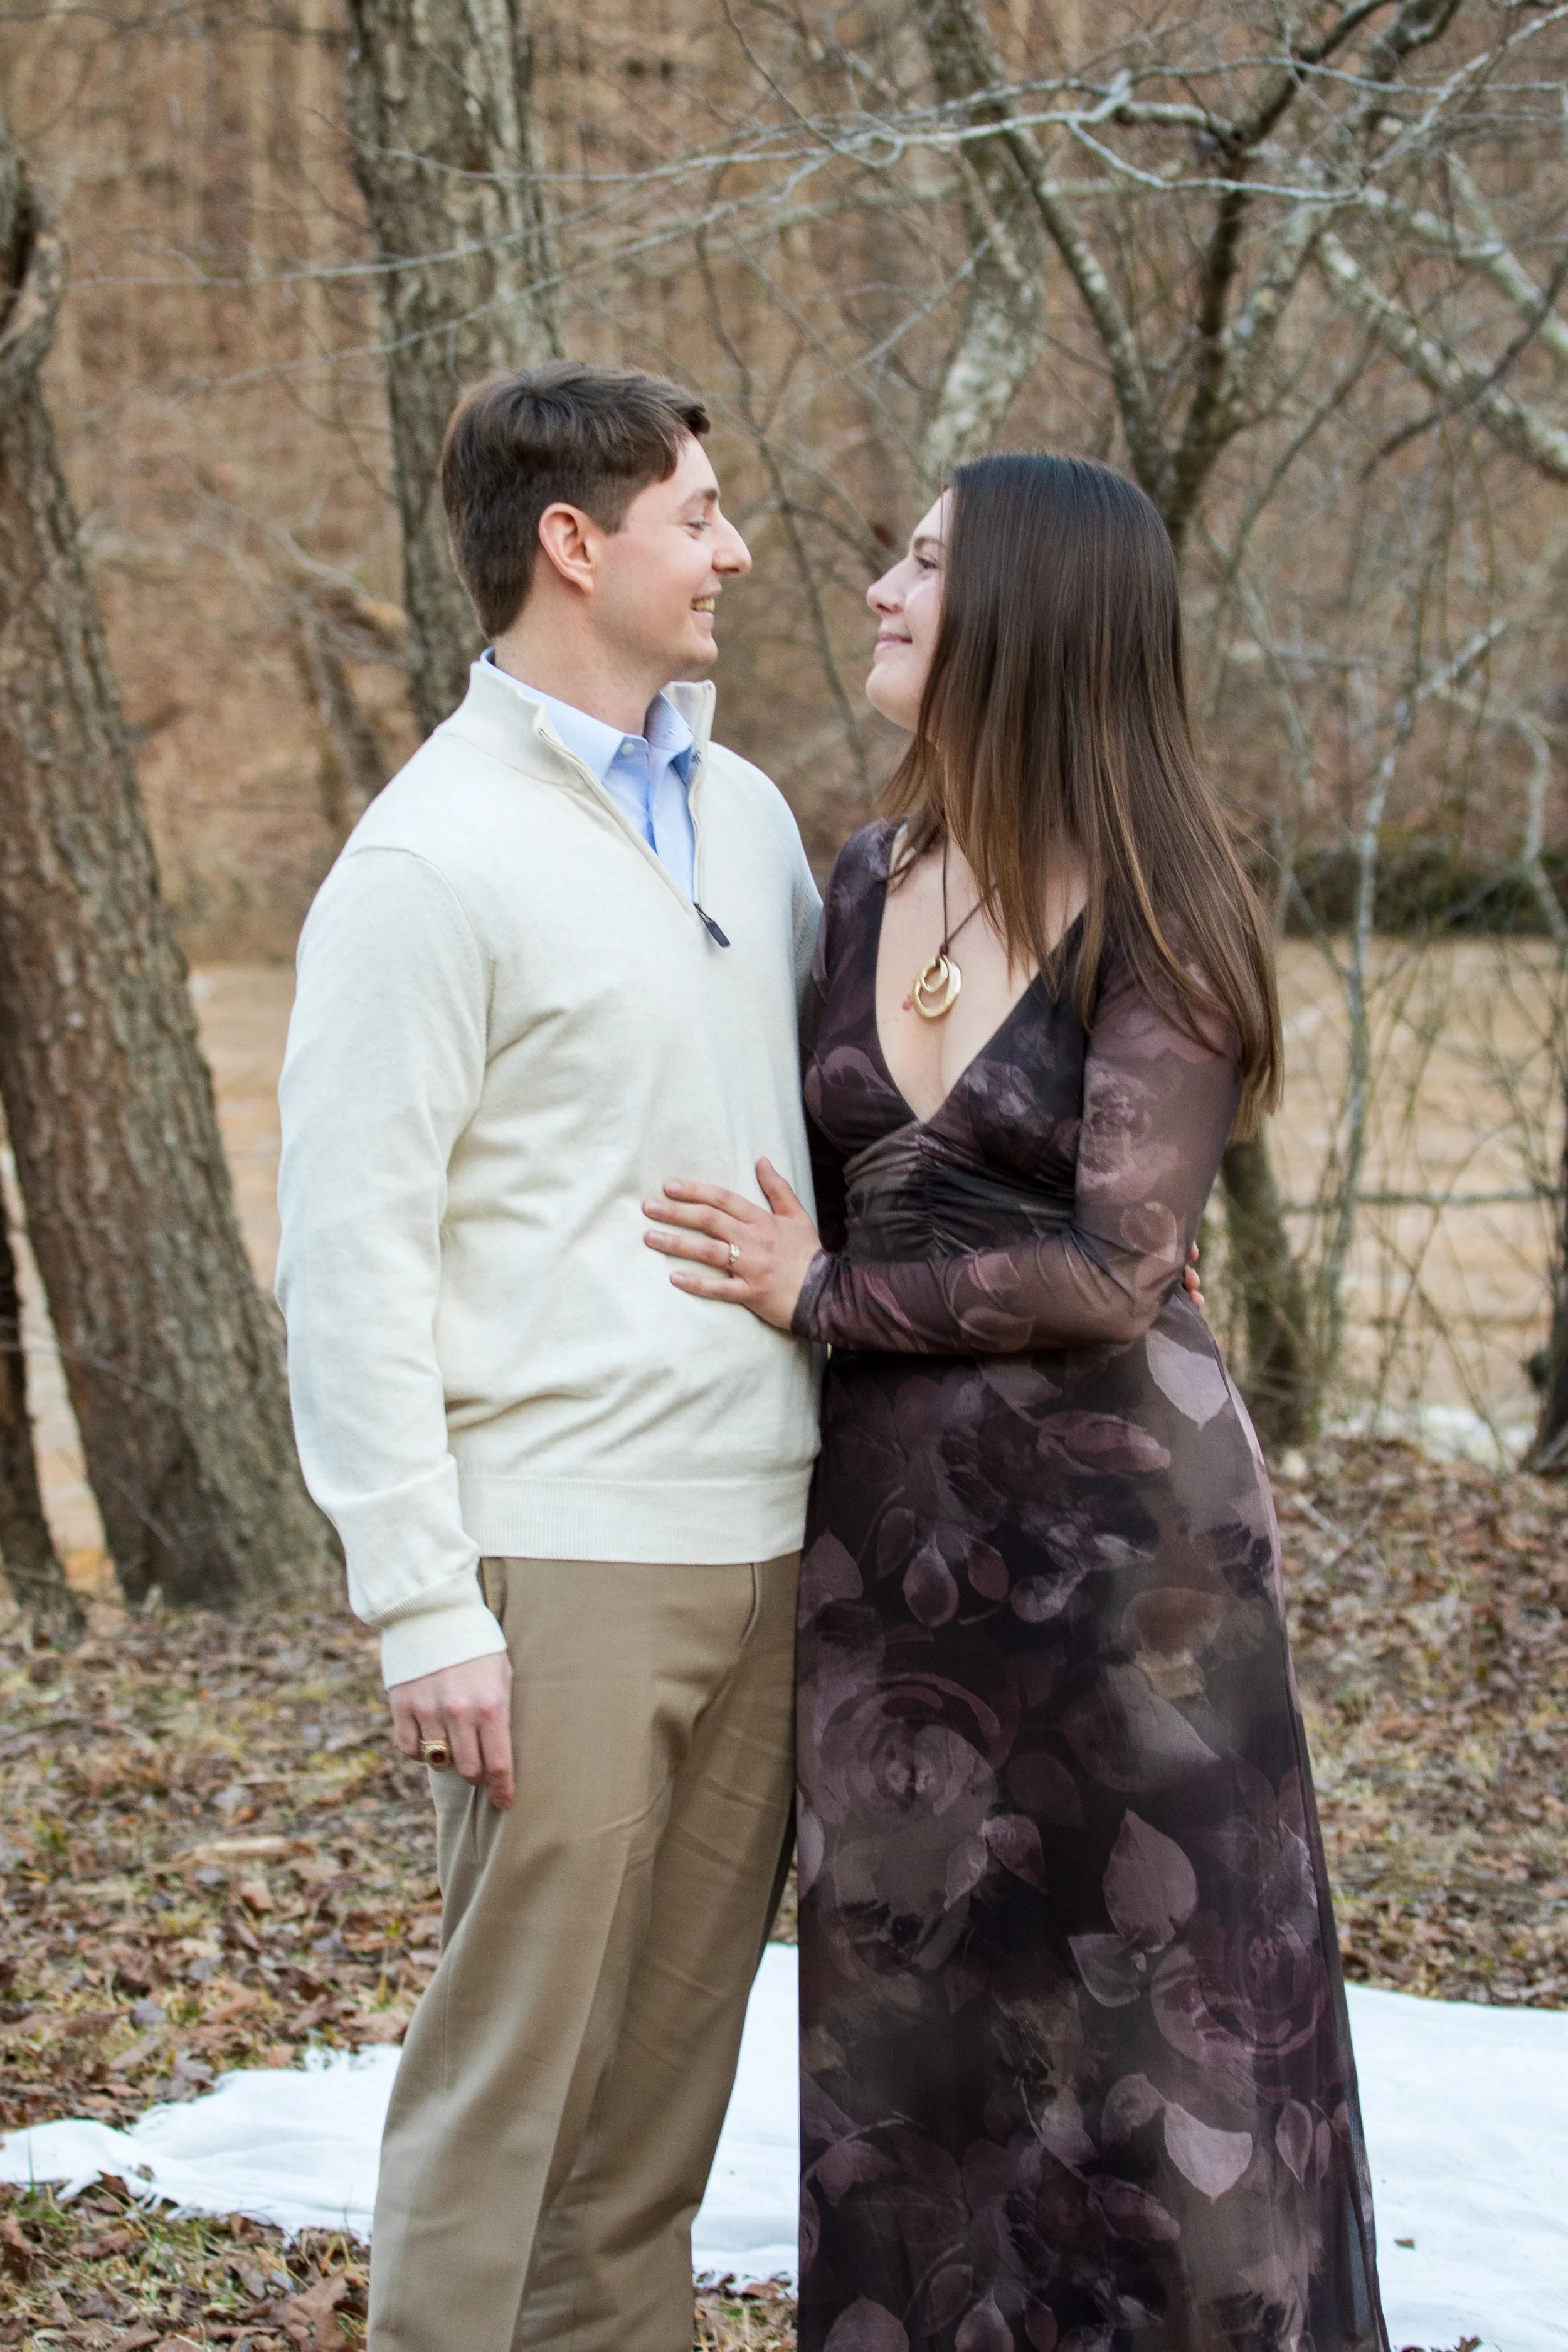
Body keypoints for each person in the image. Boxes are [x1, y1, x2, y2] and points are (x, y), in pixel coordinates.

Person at [643, 454, 1390, 2351]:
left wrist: (820, 1291)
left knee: (1155, 2038)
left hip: (1128, 1578)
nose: (880, 587)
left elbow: (1109, 1266)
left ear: (1036, 614)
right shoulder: (858, 873)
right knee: (918, 2048)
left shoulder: (1165, 898)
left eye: (922, 563)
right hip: (891, 1565)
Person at [274, 361, 824, 2352]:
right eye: (698, 512)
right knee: (515, 2101)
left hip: (769, 1544)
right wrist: (423, 1598)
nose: (735, 548)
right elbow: (345, 1257)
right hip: (558, 1559)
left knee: (652, 2137)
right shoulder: (429, 862)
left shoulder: (752, 819)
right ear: (571, 546)